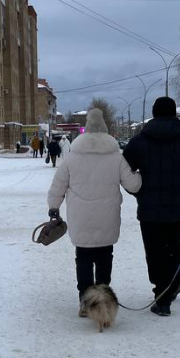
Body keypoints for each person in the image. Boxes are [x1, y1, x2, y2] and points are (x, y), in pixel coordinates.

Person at [47, 109, 142, 317]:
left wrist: (53, 207)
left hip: (81, 218)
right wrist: (140, 173)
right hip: (108, 217)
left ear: (86, 128)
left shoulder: (72, 157)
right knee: (105, 257)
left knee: (83, 257)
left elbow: (58, 185)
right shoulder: (115, 157)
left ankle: (85, 301)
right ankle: (102, 298)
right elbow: (133, 185)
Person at [123, 97, 180, 317]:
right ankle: (172, 286)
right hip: (178, 210)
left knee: (154, 252)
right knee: (173, 248)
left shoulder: (138, 141)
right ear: (174, 113)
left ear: (153, 113)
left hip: (149, 210)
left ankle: (162, 297)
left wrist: (138, 191)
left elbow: (124, 172)